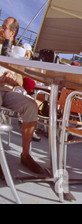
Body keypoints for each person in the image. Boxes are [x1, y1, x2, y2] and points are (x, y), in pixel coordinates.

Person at [0, 17, 46, 175]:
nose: (0, 28)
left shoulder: (16, 52)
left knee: (31, 106)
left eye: (3, 26)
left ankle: (26, 155)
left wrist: (14, 80)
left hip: (7, 91)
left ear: (11, 33)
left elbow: (21, 80)